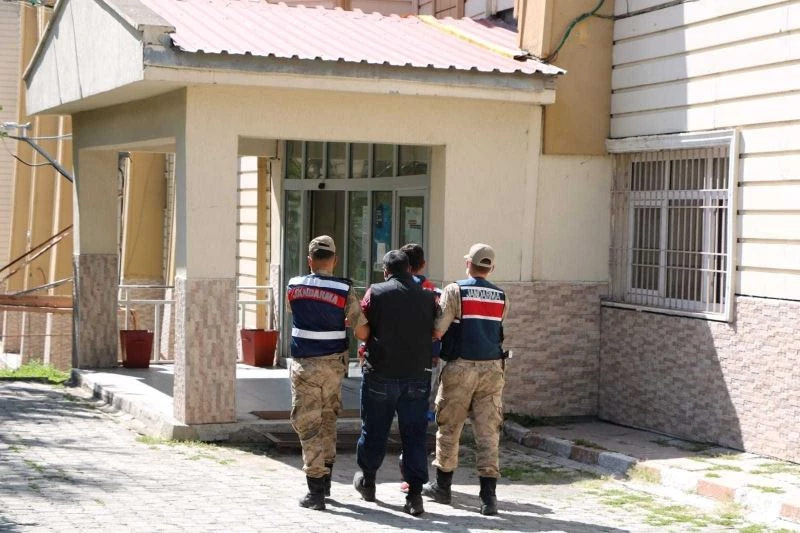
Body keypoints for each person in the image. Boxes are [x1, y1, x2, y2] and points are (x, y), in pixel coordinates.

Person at [423, 243, 508, 516]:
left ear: (468, 263)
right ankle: (488, 498)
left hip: (460, 367)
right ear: (491, 268)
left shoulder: (455, 290)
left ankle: (443, 487)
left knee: (449, 427)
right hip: (493, 370)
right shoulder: (501, 296)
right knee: (488, 433)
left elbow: (438, 330)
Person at [287, 235, 369, 511]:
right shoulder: (345, 289)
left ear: (309, 260)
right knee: (328, 419)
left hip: (305, 366)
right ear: (334, 260)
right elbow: (362, 331)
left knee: (308, 423)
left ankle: (315, 491)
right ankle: (326, 481)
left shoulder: (294, 285)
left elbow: (293, 310)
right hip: (334, 366)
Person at [353, 250, 438, 516]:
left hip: (381, 373)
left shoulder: (376, 292)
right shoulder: (428, 296)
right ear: (410, 269)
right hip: (417, 375)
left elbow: (362, 325)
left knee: (374, 430)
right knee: (415, 435)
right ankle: (414, 496)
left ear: (385, 271)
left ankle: (368, 481)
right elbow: (437, 330)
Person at [397, 243, 442, 494]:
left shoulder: (393, 289)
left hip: (396, 361)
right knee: (418, 417)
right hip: (427, 362)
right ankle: (413, 472)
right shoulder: (435, 293)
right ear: (423, 264)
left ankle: (407, 470)